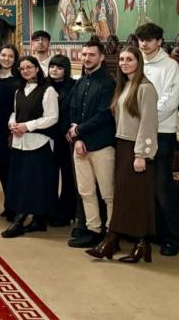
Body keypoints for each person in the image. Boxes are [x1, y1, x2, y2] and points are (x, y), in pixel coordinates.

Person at [87, 47, 159, 263]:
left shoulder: (145, 88)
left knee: (137, 196)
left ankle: (136, 243)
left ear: (139, 62)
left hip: (136, 148)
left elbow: (148, 123)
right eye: (121, 59)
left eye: (129, 59)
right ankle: (119, 241)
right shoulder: (125, 86)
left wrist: (141, 154)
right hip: (122, 145)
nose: (124, 63)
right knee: (124, 197)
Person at [134, 22, 179, 256]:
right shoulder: (137, 63)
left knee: (162, 187)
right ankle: (149, 232)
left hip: (162, 131)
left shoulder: (170, 65)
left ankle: (172, 237)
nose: (144, 44)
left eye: (149, 40)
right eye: (141, 40)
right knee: (143, 187)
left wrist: (146, 119)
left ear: (159, 42)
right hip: (137, 131)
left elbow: (169, 102)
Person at [1, 57, 59, 238]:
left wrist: (27, 126)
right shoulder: (19, 90)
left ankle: (19, 221)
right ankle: (38, 221)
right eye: (22, 68)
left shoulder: (48, 90)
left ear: (37, 69)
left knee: (34, 184)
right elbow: (15, 112)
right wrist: (12, 124)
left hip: (38, 143)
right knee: (20, 182)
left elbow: (52, 117)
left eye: (29, 67)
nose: (25, 71)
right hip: (20, 143)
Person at [67, 40, 117, 248]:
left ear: (102, 57)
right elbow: (72, 110)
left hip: (101, 145)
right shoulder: (80, 82)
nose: (86, 58)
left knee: (108, 193)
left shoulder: (108, 83)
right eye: (84, 54)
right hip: (81, 146)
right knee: (86, 191)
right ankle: (93, 230)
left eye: (91, 55)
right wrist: (77, 139)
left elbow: (104, 114)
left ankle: (112, 234)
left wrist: (79, 131)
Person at [47, 55, 78, 227]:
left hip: (66, 137)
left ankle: (66, 212)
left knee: (67, 177)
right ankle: (48, 209)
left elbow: (75, 110)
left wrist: (71, 129)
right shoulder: (44, 85)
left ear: (66, 70)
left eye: (59, 67)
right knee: (49, 175)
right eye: (52, 66)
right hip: (48, 136)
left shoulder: (73, 86)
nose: (54, 70)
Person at [0, 44, 22, 218]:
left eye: (10, 56)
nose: (6, 59)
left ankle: (13, 206)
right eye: (3, 55)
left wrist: (13, 130)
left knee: (10, 169)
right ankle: (8, 204)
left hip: (10, 128)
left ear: (15, 59)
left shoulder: (18, 80)